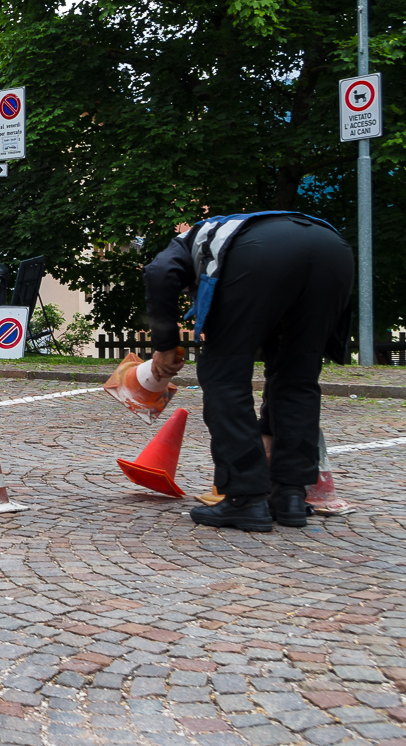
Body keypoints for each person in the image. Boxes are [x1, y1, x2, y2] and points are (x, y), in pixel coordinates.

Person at [142, 211, 353, 532]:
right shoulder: (238, 229)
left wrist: (165, 343)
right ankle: (290, 495)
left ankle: (246, 499)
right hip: (334, 250)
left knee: (223, 375)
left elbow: (158, 273)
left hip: (261, 256)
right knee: (297, 378)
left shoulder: (188, 243)